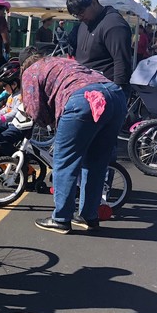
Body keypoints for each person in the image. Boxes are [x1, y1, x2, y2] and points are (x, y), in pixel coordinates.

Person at [18, 46, 127, 234]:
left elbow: (33, 108)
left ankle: (60, 218)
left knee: (65, 160)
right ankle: (88, 216)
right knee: (96, 162)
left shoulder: (30, 71)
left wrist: (48, 122)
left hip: (83, 100)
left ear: (23, 66)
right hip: (115, 97)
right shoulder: (62, 61)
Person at [66, 0, 133, 94]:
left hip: (105, 93)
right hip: (83, 90)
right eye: (76, 15)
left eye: (81, 12)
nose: (79, 17)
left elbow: (122, 63)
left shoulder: (114, 24)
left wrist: (118, 94)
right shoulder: (85, 23)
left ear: (93, 2)